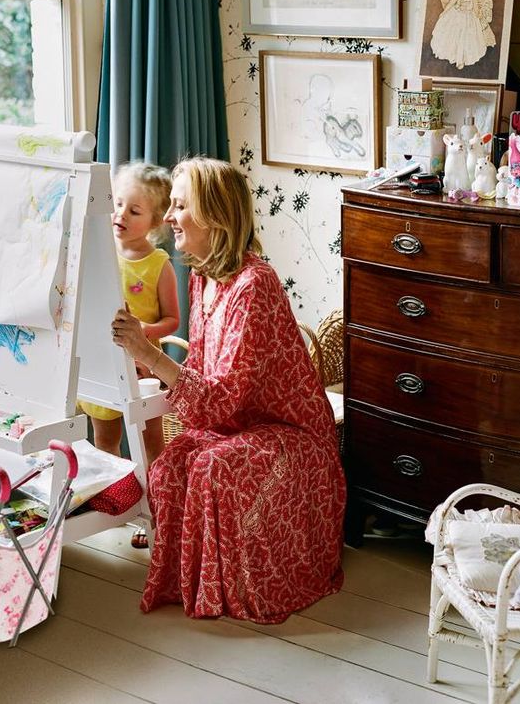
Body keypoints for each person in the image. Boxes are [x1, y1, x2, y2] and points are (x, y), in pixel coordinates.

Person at [110, 157, 345, 623]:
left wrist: (153, 355)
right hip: (236, 427)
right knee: (173, 462)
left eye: (180, 206)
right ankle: (189, 584)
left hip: (292, 437)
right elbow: (201, 376)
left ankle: (226, 593)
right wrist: (143, 358)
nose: (170, 217)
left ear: (214, 216)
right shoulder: (202, 278)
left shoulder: (254, 285)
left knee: (213, 467)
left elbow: (220, 398)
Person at [80, 161, 180, 470]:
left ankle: (157, 502)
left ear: (155, 222)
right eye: (118, 204)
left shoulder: (159, 264)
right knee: (106, 441)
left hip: (144, 368)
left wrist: (144, 331)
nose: (121, 214)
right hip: (103, 364)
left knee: (151, 442)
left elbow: (172, 320)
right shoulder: (99, 251)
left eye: (134, 211)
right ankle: (118, 499)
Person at [429, 0, 496, 69]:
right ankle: (453, 54)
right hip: (456, 15)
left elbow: (475, 8)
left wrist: (479, 15)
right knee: (453, 36)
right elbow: (452, 2)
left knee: (465, 38)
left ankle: (462, 59)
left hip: (468, 18)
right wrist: (444, 12)